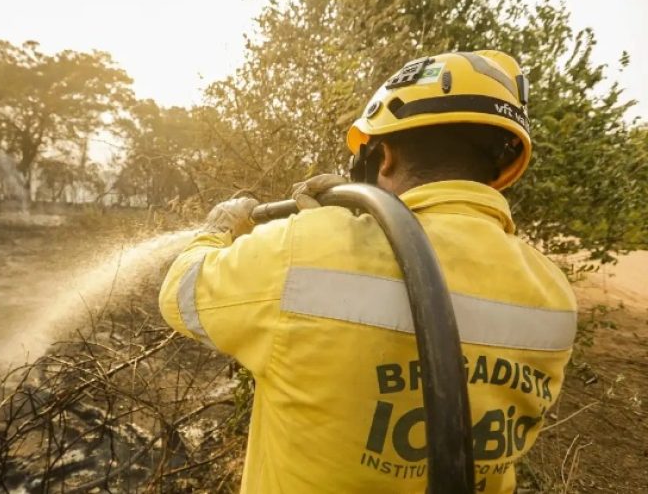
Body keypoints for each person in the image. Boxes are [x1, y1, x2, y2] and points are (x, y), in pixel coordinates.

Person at [158, 50, 577, 493]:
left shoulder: (303, 249)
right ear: (500, 168)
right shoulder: (554, 292)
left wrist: (219, 227)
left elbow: (180, 291)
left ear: (387, 155)